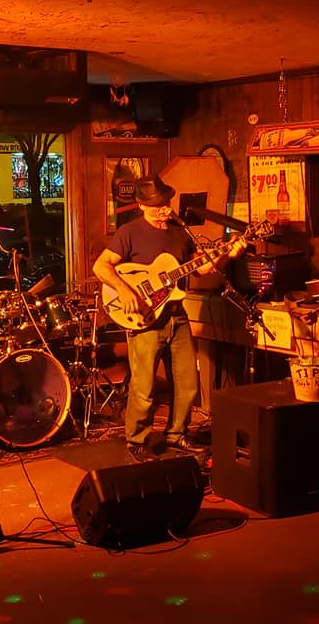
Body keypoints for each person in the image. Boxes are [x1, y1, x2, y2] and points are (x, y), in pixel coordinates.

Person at [92, 175, 247, 462]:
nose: (163, 208)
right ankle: (137, 440)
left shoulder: (179, 232)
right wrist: (125, 291)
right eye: (155, 205)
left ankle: (177, 435)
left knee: (188, 382)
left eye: (165, 202)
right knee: (145, 385)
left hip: (177, 316)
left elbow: (202, 269)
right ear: (141, 205)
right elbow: (101, 266)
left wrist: (228, 253)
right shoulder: (129, 232)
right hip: (144, 318)